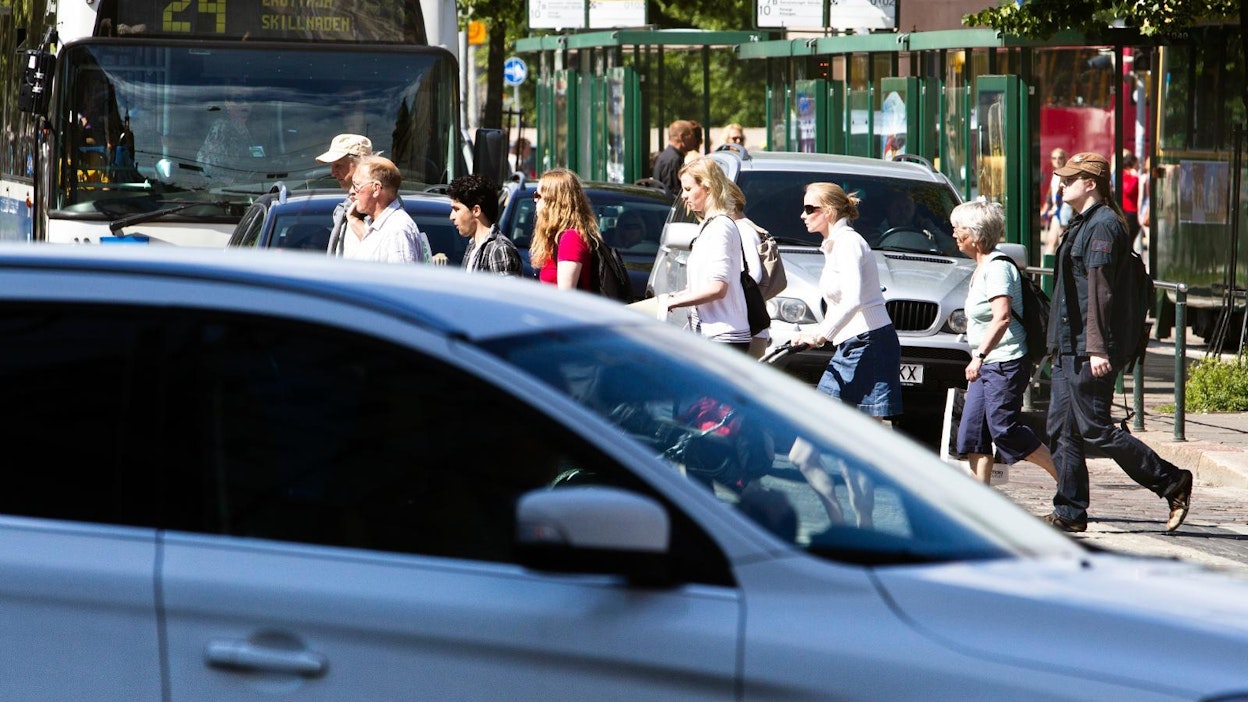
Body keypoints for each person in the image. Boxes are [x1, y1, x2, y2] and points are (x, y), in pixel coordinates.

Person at [1044, 151, 1192, 533]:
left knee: (1094, 428)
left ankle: (1172, 481)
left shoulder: (1105, 225)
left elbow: (1101, 292)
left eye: (1069, 178)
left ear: (1090, 183)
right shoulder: (1081, 223)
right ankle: (1070, 512)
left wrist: (1096, 348)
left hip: (1089, 348)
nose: (1061, 183)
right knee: (1061, 429)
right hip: (1068, 345)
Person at [950, 200, 1059, 485]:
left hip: (1004, 362)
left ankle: (1066, 479)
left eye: (958, 228)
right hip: (987, 364)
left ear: (975, 234)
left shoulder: (997, 269)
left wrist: (980, 356)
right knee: (974, 433)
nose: (953, 234)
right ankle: (980, 499)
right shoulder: (981, 266)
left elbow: (1002, 317)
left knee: (1004, 429)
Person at [794, 183, 903, 420]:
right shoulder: (836, 244)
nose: (803, 215)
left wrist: (823, 334)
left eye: (809, 208)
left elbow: (854, 299)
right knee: (831, 425)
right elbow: (840, 304)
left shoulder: (848, 243)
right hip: (858, 342)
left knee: (834, 424)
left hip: (869, 342)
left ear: (830, 211)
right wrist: (811, 331)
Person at [664, 158, 753, 352]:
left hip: (723, 337)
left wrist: (673, 302)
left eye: (688, 189)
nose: (683, 197)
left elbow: (718, 288)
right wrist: (671, 298)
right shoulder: (709, 225)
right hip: (709, 335)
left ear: (708, 187)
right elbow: (705, 286)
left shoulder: (720, 226)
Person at [343, 155, 432, 263]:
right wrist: (354, 220)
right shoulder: (377, 225)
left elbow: (402, 277)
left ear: (376, 189)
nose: (352, 191)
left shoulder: (397, 230)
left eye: (357, 185)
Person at [530, 168, 600, 291]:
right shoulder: (557, 238)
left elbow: (566, 297)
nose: (535, 200)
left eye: (538, 195)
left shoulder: (571, 239)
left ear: (553, 202)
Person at [725, 179, 770, 358]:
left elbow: (754, 275)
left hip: (749, 329)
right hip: (746, 328)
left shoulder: (742, 229)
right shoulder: (738, 227)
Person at [447, 174, 521, 276]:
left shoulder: (500, 250)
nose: (452, 216)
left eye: (457, 209)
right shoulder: (473, 247)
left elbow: (505, 291)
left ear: (476, 210)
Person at [316, 133, 374, 257]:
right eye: (332, 166)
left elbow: (380, 246)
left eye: (338, 165)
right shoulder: (349, 205)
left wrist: (354, 220)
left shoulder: (379, 202)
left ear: (361, 163)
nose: (333, 173)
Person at [197, 93, 262, 184]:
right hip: (229, 192)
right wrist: (233, 184)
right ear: (227, 104)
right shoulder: (221, 128)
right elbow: (210, 166)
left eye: (249, 99)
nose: (245, 104)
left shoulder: (255, 129)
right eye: (238, 100)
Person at [652, 120, 695, 197]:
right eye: (691, 135)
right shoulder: (673, 160)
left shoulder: (669, 156)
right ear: (681, 136)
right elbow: (673, 193)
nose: (694, 140)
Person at [1042, 148, 1071, 255]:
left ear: (1064, 159)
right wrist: (1046, 209)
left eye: (1060, 158)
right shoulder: (1056, 174)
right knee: (1051, 242)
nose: (1057, 160)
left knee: (1063, 244)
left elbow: (1066, 195)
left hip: (1064, 213)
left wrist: (1056, 209)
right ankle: (1046, 270)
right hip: (1057, 213)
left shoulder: (1066, 175)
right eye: (1054, 158)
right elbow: (1050, 194)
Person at [1120, 149, 1142, 254]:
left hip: (1134, 210)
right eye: (1137, 164)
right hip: (1129, 211)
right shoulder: (1125, 175)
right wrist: (1135, 177)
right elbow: (1128, 190)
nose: (1139, 166)